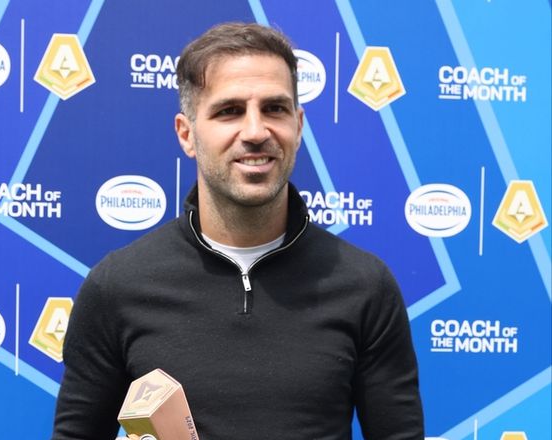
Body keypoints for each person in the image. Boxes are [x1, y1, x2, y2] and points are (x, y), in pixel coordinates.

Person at [52, 22, 424, 439]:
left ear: (299, 126)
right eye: (229, 111)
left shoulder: (365, 286)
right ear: (187, 134)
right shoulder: (117, 286)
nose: (255, 132)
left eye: (275, 108)